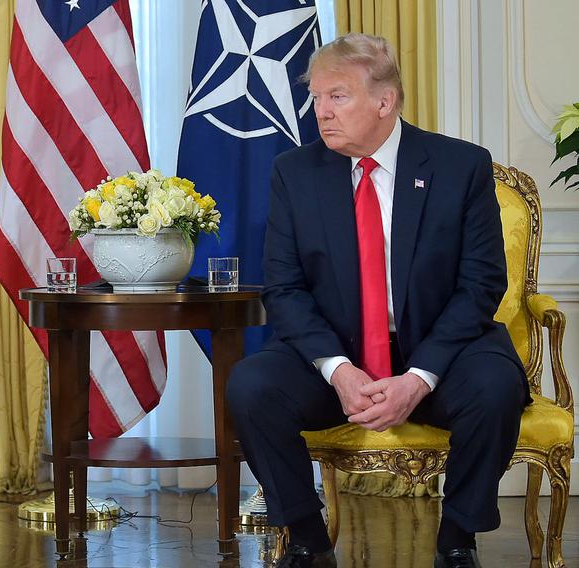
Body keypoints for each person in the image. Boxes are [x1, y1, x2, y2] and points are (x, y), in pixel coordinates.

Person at [226, 33, 528, 568]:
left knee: (496, 386)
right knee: (251, 387)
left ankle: (457, 538)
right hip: (339, 351)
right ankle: (307, 539)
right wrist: (339, 370)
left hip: (440, 349)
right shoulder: (294, 173)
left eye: (336, 96)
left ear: (384, 102)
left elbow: (481, 284)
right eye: (316, 97)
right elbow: (285, 288)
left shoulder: (460, 167)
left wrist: (419, 377)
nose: (321, 112)